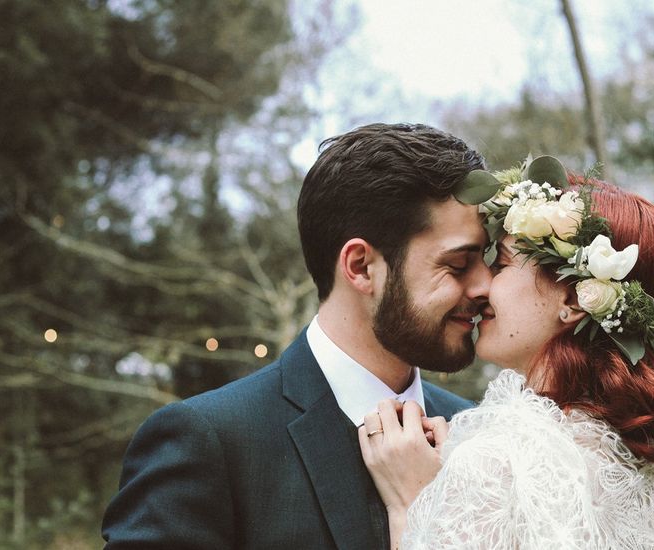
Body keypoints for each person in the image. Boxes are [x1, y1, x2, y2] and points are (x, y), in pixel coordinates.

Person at [101, 123, 494, 550]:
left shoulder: (480, 433)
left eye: (486, 261)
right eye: (457, 264)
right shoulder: (210, 442)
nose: (484, 286)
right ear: (361, 267)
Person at [359, 156, 654, 549]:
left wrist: (412, 503)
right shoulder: (642, 457)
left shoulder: (497, 462)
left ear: (574, 300)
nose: (483, 285)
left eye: (503, 264)